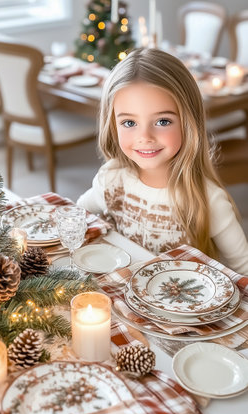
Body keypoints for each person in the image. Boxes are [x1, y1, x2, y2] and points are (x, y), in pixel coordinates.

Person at [77, 47, 248, 275]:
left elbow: (243, 267)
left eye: (163, 121)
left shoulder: (206, 199)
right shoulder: (111, 178)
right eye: (129, 123)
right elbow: (78, 213)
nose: (145, 137)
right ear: (112, 125)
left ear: (188, 122)